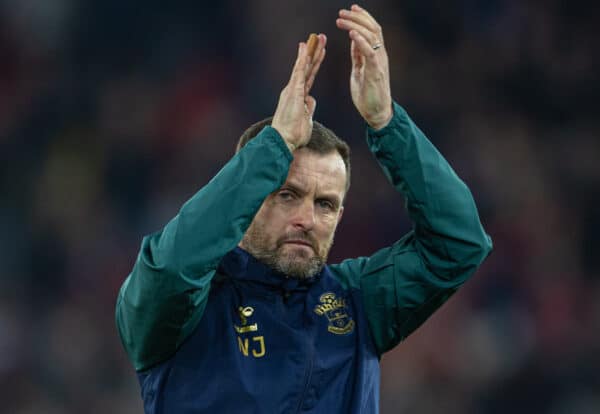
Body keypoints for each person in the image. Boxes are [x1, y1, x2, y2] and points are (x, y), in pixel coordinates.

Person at [116, 5, 492, 413]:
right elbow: (171, 269)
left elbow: (460, 244)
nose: (307, 219)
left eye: (326, 204)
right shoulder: (185, 311)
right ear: (246, 201)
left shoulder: (357, 302)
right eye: (287, 195)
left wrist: (387, 123)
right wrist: (275, 145)